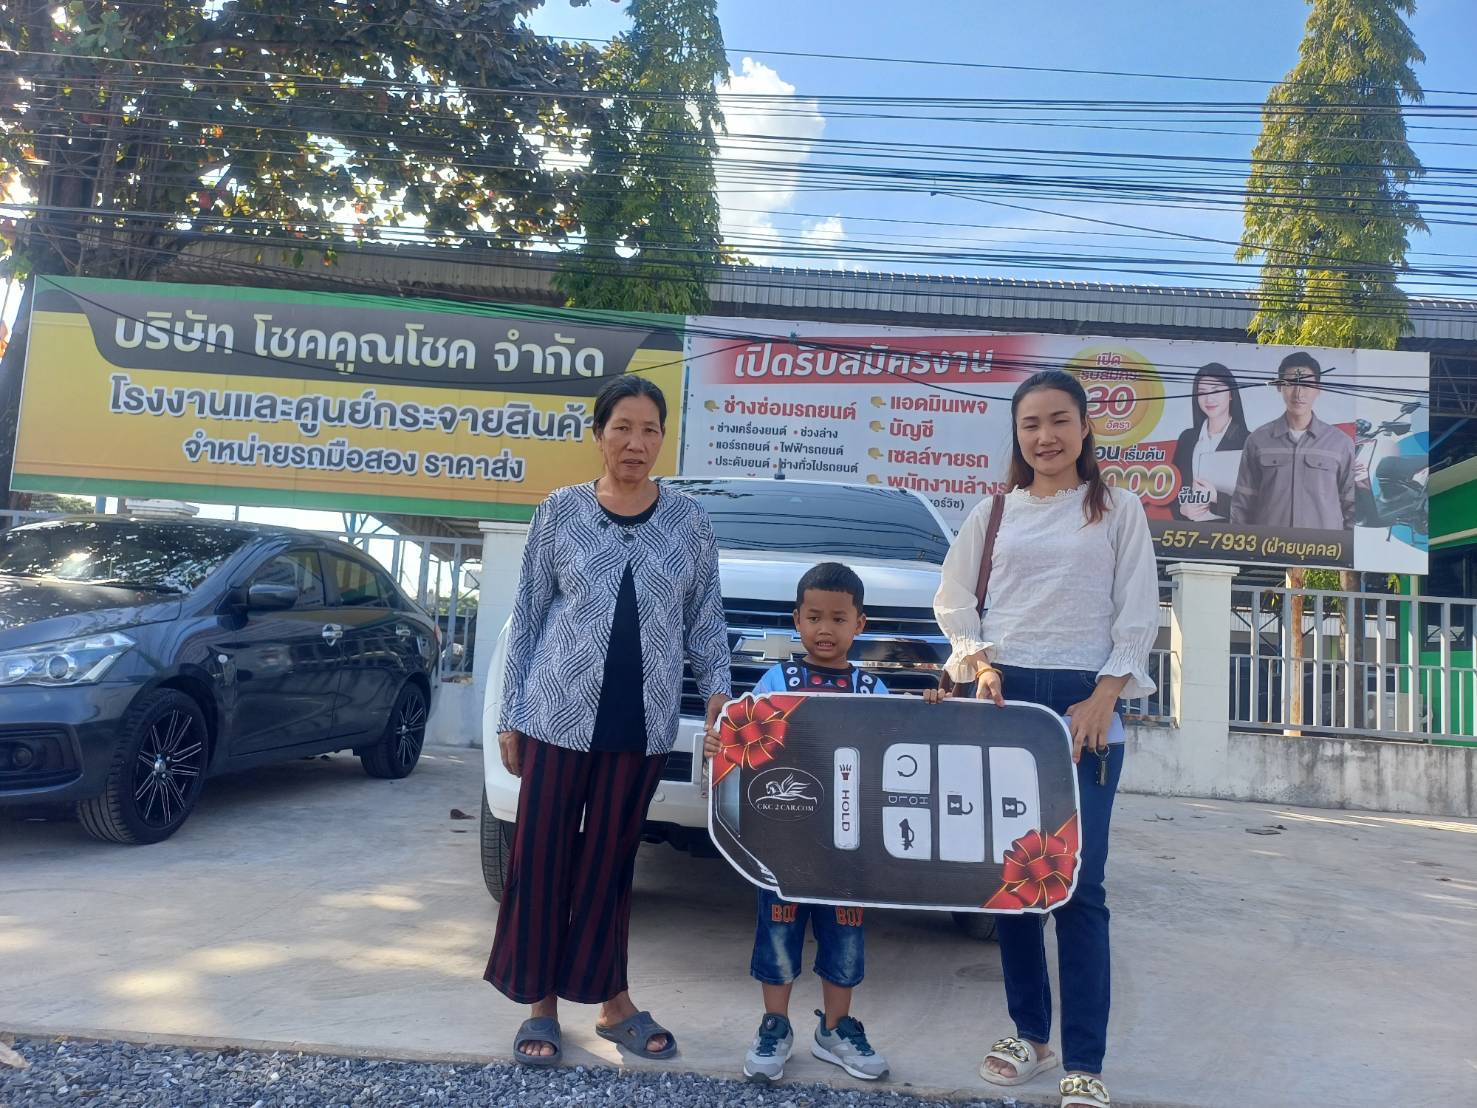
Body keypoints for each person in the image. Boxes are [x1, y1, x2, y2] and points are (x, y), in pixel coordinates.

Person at [485, 375, 731, 1067]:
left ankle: (612, 1003)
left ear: (662, 439)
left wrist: (719, 691)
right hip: (554, 719)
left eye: (649, 429)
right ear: (598, 435)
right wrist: (509, 717)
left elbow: (705, 618)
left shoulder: (688, 521)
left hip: (640, 725)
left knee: (610, 866)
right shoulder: (559, 511)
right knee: (541, 859)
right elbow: (528, 617)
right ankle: (539, 1005)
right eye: (622, 427)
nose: (635, 442)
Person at [933, 369, 1158, 1108]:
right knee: (1014, 881)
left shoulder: (1118, 510)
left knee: (1080, 887)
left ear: (1085, 426)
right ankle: (1029, 1034)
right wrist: (979, 663)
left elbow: (1136, 611)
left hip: (1086, 707)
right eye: (1030, 424)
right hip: (1005, 706)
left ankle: (1084, 1061)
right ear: (1017, 434)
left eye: (1059, 420)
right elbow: (954, 600)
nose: (1045, 436)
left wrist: (1103, 695)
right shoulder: (993, 513)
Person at [703, 562, 892, 1086]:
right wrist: (720, 743)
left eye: (838, 618)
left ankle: (835, 1029)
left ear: (860, 624)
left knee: (845, 939)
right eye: (813, 617)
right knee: (778, 935)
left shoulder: (872, 689)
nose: (825, 629)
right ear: (796, 621)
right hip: (781, 846)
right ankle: (775, 1025)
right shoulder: (775, 683)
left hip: (848, 849)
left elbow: (898, 748)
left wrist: (931, 709)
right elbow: (743, 742)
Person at [1230, 351, 1356, 530]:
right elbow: (1242, 506)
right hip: (1271, 545)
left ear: (1318, 388)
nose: (1298, 393)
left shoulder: (1340, 444)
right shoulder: (1257, 441)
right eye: (1290, 384)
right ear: (1279, 386)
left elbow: (1353, 507)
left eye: (1306, 385)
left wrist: (1343, 547)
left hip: (1323, 547)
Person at [1171, 362, 1249, 522]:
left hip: (1228, 533)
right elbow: (1172, 489)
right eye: (1202, 392)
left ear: (1231, 394)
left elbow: (1256, 505)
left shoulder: (1248, 441)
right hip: (1185, 532)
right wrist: (1182, 508)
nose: (1209, 398)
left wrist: (1217, 498)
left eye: (1216, 390)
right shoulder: (1187, 439)